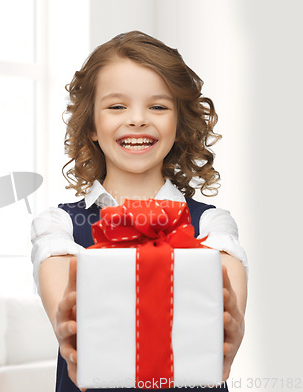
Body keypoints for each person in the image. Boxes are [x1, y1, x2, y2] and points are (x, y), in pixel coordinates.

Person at [31, 31, 247, 392]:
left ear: (178, 125)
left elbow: (227, 306)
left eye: (158, 107)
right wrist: (68, 321)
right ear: (91, 126)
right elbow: (64, 309)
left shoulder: (212, 223)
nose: (137, 119)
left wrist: (232, 322)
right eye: (117, 106)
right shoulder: (59, 226)